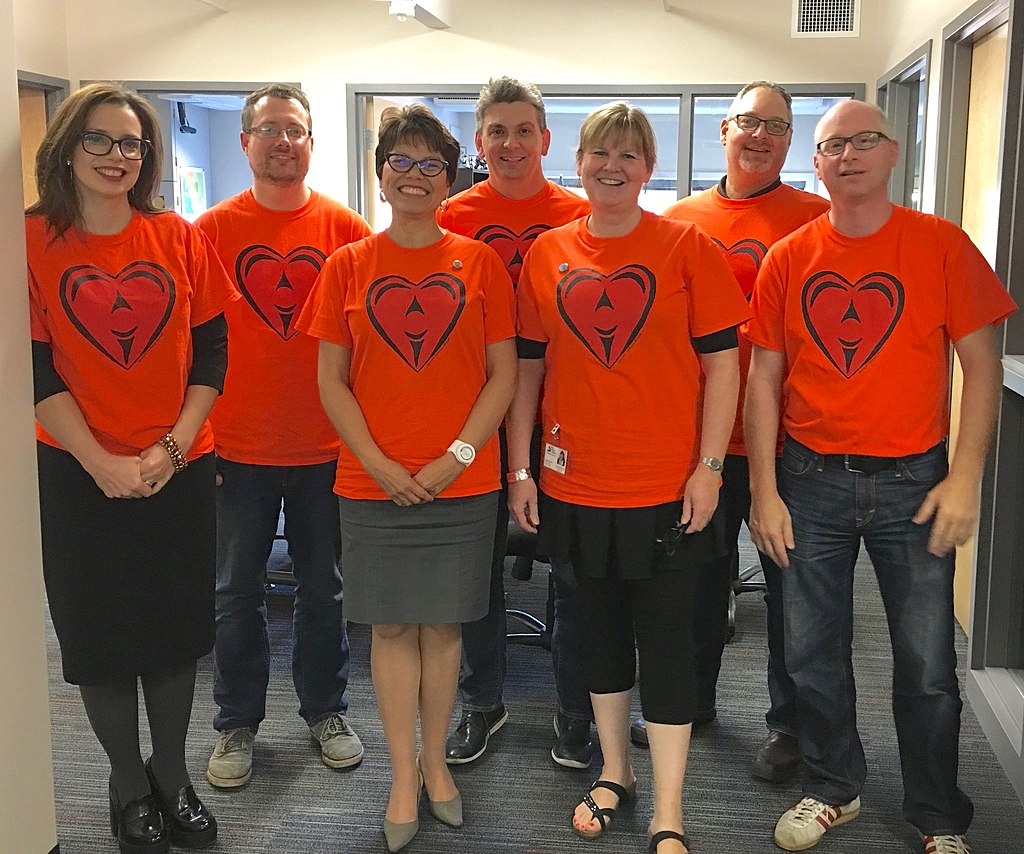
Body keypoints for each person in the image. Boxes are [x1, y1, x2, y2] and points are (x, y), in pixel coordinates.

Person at [745, 99, 1015, 854]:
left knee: (927, 662)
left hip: (915, 483)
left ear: (894, 153)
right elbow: (763, 379)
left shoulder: (940, 245)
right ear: (818, 163)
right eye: (834, 145)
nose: (850, 154)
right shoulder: (789, 257)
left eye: (866, 140)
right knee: (809, 652)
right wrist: (764, 490)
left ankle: (936, 815)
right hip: (809, 481)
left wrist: (966, 479)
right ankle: (834, 788)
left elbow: (982, 367)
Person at [508, 101, 749, 854]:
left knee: (669, 647)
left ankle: (669, 808)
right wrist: (520, 469)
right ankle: (616, 773)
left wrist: (710, 469)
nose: (612, 167)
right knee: (596, 641)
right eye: (600, 153)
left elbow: (722, 368)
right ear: (576, 161)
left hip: (667, 490)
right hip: (575, 490)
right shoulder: (547, 253)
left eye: (629, 156)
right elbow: (526, 372)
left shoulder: (687, 248)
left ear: (648, 168)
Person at [297, 104, 517, 852]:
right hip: (371, 483)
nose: (416, 176)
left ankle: (438, 769)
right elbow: (332, 381)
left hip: (462, 481)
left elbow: (503, 374)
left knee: (445, 626)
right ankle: (401, 773)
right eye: (402, 162)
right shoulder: (348, 266)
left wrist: (454, 456)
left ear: (449, 177)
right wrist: (382, 464)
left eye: (431, 164)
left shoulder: (479, 261)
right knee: (390, 626)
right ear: (380, 174)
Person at [26, 82, 235, 853]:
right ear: (66, 149)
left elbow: (212, 350)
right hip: (77, 475)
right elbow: (33, 370)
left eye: (133, 143)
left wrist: (171, 448)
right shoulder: (29, 241)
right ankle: (126, 782)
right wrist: (100, 461)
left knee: (173, 635)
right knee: (100, 640)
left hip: (176, 471)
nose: (119, 157)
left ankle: (172, 775)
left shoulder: (179, 238)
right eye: (101, 140)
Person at [631, 81, 829, 784]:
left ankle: (788, 725)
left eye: (776, 125)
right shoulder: (681, 221)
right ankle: (691, 704)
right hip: (703, 443)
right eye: (749, 122)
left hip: (789, 444)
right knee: (693, 584)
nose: (760, 136)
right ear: (724, 129)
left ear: (788, 139)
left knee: (790, 593)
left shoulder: (817, 219)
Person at [196, 84, 370, 789]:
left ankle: (325, 711)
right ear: (245, 143)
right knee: (234, 591)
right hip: (235, 449)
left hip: (327, 451)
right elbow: (191, 346)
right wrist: (196, 440)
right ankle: (236, 723)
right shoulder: (208, 231)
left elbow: (369, 348)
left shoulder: (346, 229)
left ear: (310, 141)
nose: (282, 141)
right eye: (268, 130)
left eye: (294, 129)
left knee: (324, 590)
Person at [439, 75, 594, 769]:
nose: (509, 143)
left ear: (545, 139)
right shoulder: (450, 216)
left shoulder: (582, 214)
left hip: (564, 419)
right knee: (476, 571)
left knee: (572, 571)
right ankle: (483, 702)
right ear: (479, 140)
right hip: (474, 416)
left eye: (522, 130)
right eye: (496, 131)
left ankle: (575, 708)